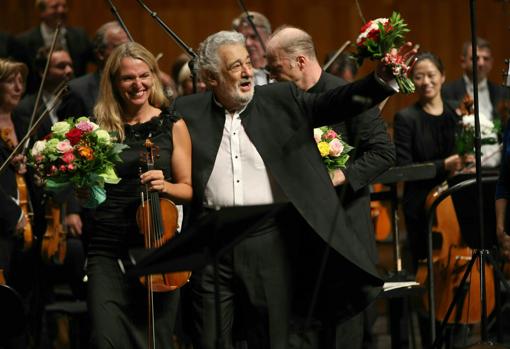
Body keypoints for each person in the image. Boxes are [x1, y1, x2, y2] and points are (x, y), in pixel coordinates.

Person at [171, 30, 411, 348]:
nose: (247, 72)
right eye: (235, 67)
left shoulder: (280, 99)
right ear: (211, 77)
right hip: (212, 245)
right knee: (209, 338)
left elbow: (336, 103)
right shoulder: (187, 111)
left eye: (247, 63)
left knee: (271, 337)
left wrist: (378, 82)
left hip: (266, 240)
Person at [265, 25, 395, 349]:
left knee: (343, 334)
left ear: (299, 62)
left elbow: (383, 152)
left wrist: (340, 176)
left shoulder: (348, 95)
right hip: (298, 240)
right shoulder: (280, 104)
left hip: (344, 231)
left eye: (275, 70)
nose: (269, 78)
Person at [86, 41, 192, 348]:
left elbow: (187, 189)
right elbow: (92, 195)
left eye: (144, 75)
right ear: (115, 83)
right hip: (106, 247)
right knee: (107, 339)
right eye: (128, 78)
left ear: (154, 77)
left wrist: (165, 185)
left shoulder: (172, 124)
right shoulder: (99, 129)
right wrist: (83, 190)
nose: (138, 84)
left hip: (156, 246)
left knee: (152, 341)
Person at [393, 52, 464, 266]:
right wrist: (444, 165)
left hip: (455, 197)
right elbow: (405, 168)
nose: (426, 82)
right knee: (425, 263)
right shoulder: (406, 118)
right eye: (418, 77)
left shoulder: (457, 112)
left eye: (431, 75)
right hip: (421, 203)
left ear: (442, 76)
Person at [57, 21, 129, 120]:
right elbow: (69, 132)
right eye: (118, 47)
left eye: (128, 46)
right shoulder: (77, 91)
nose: (126, 53)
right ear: (100, 53)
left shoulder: (137, 84)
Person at [442, 37, 509, 135]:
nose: (481, 63)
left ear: (491, 62)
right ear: (463, 62)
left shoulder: (503, 92)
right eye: (475, 58)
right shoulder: (447, 91)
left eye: (486, 59)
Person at [17, 0, 93, 86]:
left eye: (64, 6)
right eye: (55, 7)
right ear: (42, 11)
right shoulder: (25, 41)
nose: (61, 10)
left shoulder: (80, 36)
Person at [232, 11, 272, 85]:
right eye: (242, 38)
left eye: (253, 37)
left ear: (269, 38)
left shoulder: (279, 73)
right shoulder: (232, 76)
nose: (248, 43)